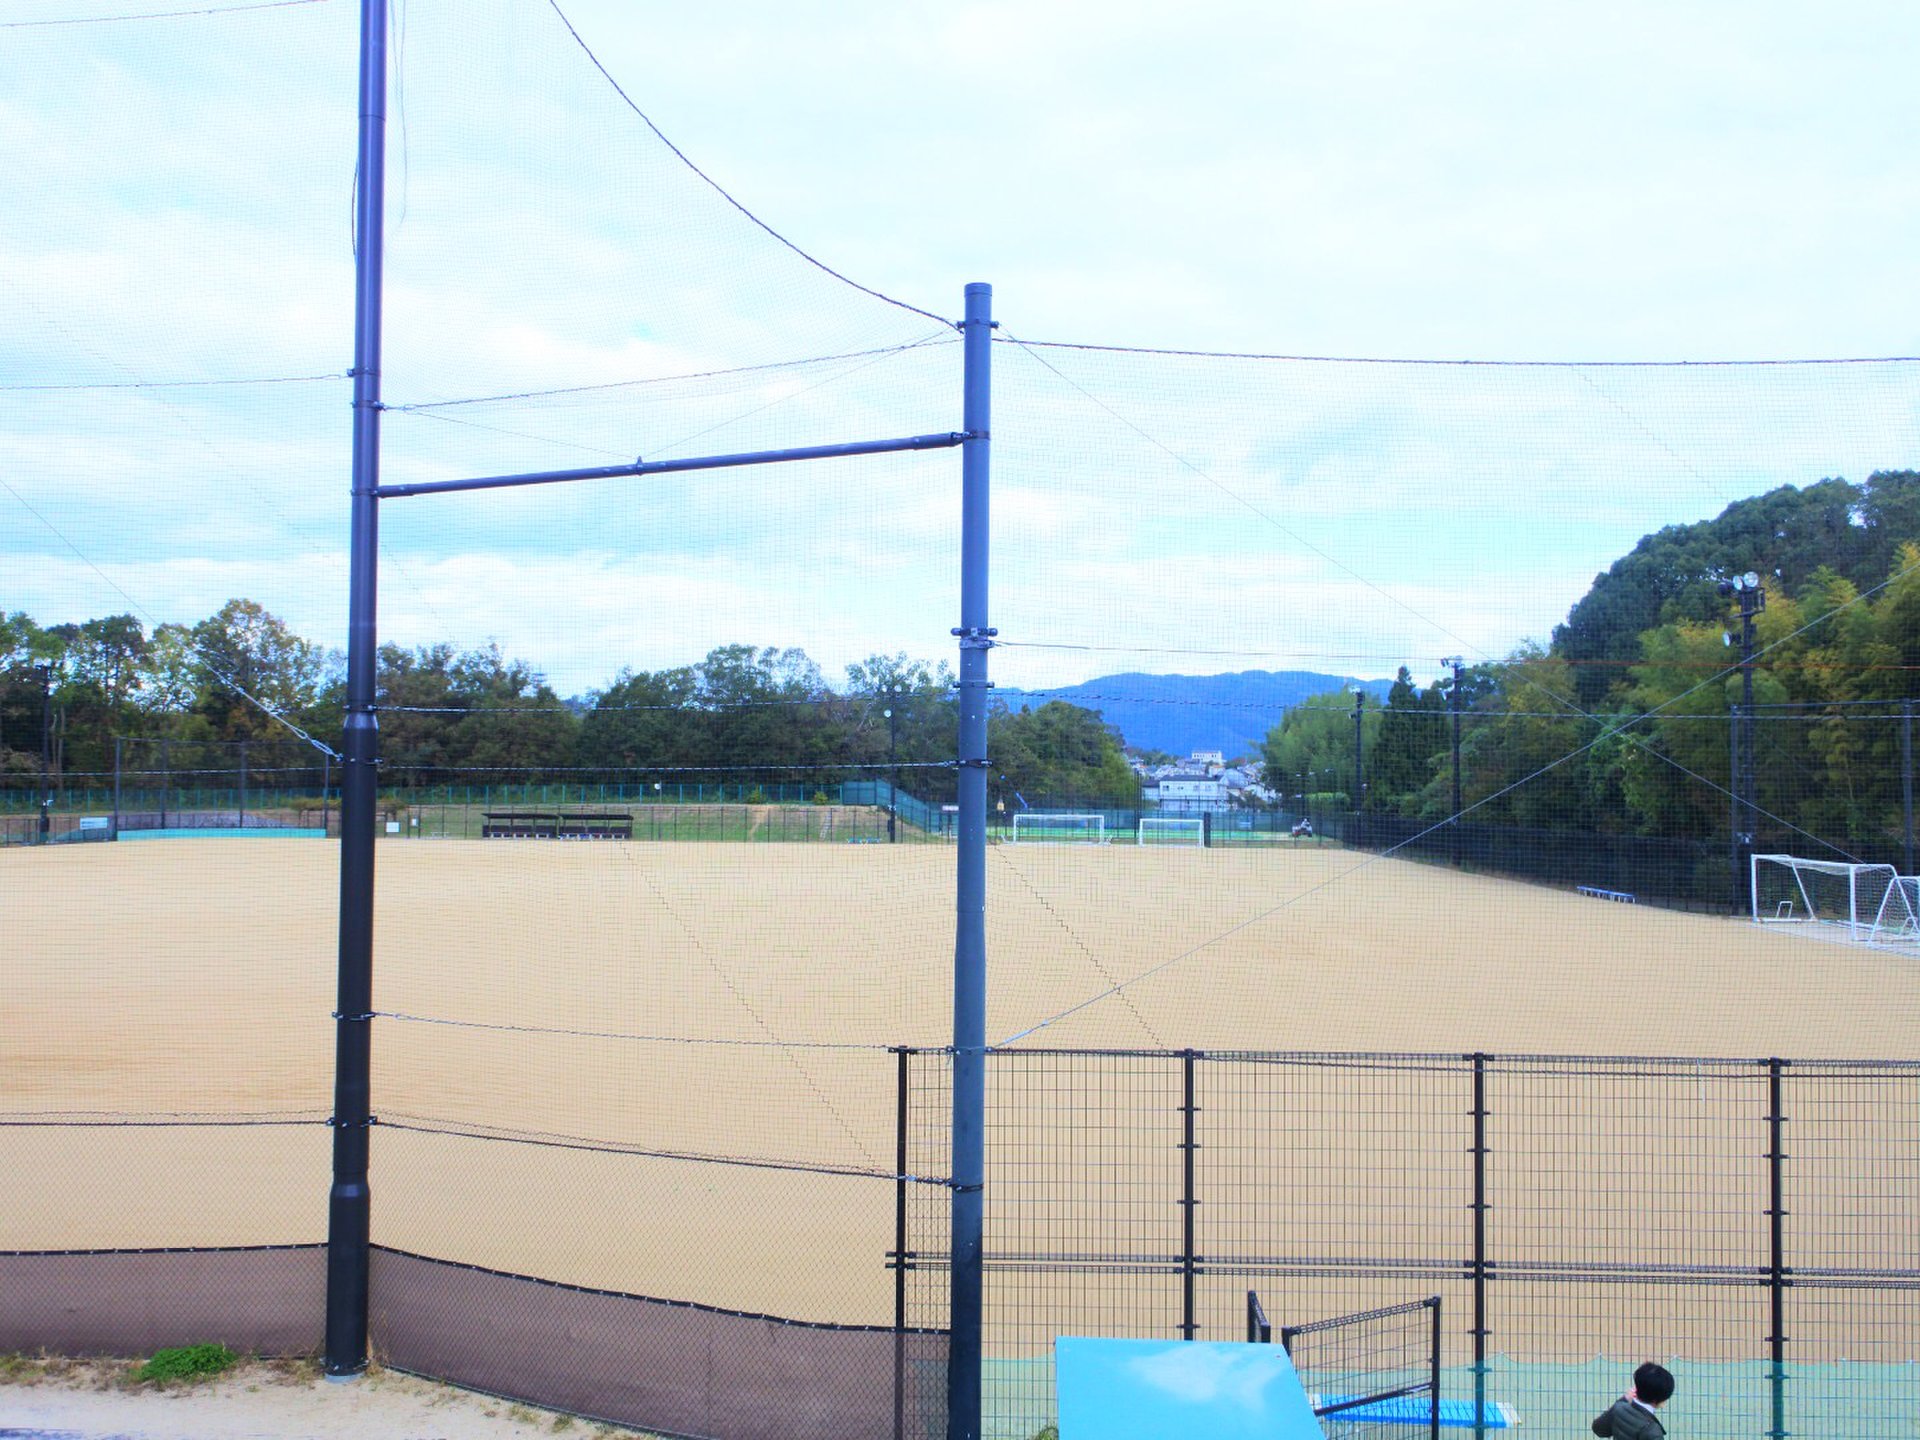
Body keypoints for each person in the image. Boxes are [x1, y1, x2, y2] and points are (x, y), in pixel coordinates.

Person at [1592, 1362, 1675, 1438]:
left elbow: (1599, 1429)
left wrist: (1624, 1399)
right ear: (1661, 1401)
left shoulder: (1619, 1408)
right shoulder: (1652, 1430)